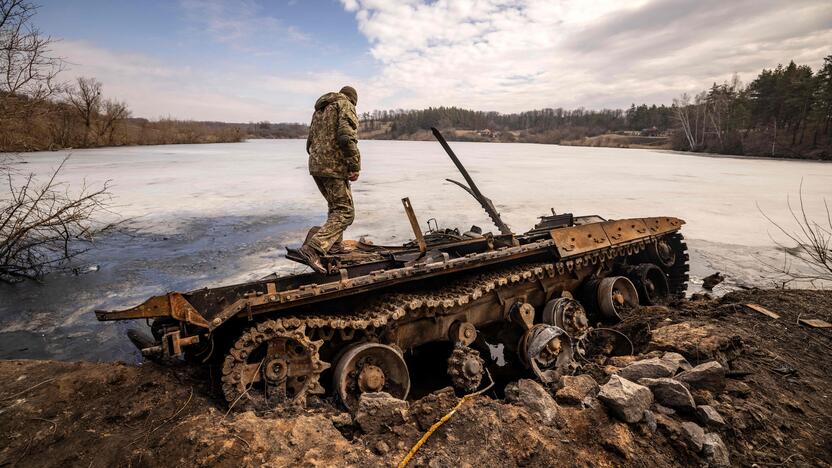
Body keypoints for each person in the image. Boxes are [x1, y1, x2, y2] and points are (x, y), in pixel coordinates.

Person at [298, 86, 361, 274]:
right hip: (333, 165)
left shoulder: (320, 109)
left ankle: (334, 245)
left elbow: (309, 142)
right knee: (345, 212)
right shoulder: (345, 104)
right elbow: (346, 137)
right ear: (353, 99)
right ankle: (313, 248)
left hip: (316, 164)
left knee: (335, 207)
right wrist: (354, 165)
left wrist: (319, 159)